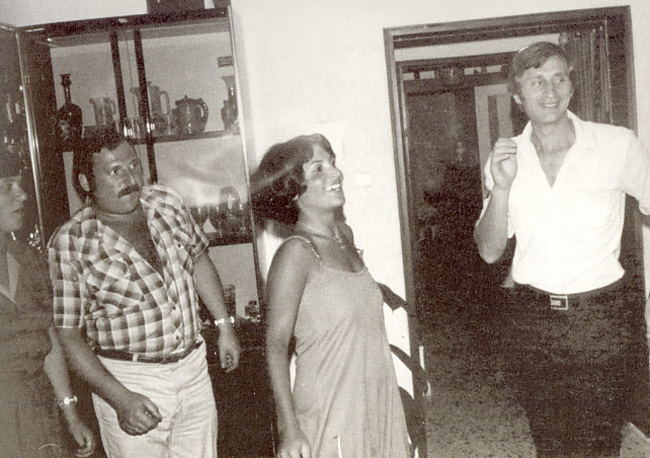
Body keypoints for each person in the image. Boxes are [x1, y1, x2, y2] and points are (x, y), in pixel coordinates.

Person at [474, 41, 650, 457]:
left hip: (602, 318)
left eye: (559, 79)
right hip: (534, 320)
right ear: (518, 96)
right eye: (537, 81)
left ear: (572, 87)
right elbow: (489, 250)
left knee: (599, 442)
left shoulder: (616, 144)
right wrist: (501, 187)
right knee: (549, 440)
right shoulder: (505, 157)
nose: (550, 92)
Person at [47, 129, 240, 458]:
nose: (130, 178)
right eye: (115, 171)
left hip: (193, 369)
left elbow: (198, 259)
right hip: (130, 380)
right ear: (85, 181)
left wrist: (225, 325)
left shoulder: (166, 202)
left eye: (134, 165)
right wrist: (119, 398)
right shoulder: (71, 242)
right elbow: (68, 335)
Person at [250, 134, 410, 458]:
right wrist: (289, 427)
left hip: (374, 398)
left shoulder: (344, 236)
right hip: (331, 406)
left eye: (332, 163)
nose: (335, 173)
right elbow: (275, 344)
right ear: (293, 191)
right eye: (318, 169)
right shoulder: (295, 254)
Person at [0, 149, 95, 458]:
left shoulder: (27, 259)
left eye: (20, 184)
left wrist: (71, 415)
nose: (23, 195)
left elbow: (49, 339)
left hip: (40, 415)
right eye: (8, 187)